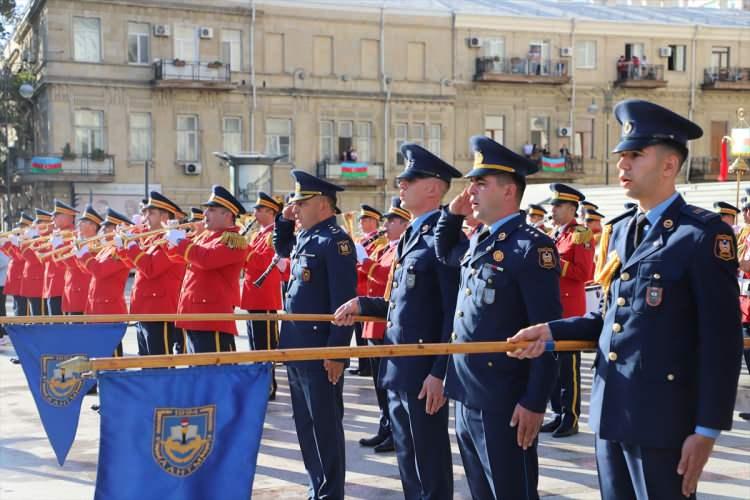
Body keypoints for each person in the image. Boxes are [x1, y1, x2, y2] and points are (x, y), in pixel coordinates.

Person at [508, 99, 743, 499]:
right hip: (612, 413)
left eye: (635, 155)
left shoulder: (702, 236)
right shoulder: (620, 233)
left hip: (664, 422)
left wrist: (706, 430)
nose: (622, 165)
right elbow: (611, 319)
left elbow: (722, 341)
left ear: (669, 166)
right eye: (622, 155)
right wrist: (550, 330)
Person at [433, 135, 561, 499]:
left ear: (509, 192)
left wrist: (536, 401)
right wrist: (451, 216)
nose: (470, 190)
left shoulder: (531, 247)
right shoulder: (481, 240)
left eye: (481, 183)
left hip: (505, 400)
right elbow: (445, 254)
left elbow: (548, 334)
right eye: (471, 183)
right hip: (467, 392)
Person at [334, 143, 462, 500]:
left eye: (410, 178)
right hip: (399, 365)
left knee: (429, 460)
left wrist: (441, 371)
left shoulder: (445, 237)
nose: (400, 184)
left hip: (424, 372)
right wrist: (363, 303)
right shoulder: (411, 234)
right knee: (408, 459)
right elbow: (402, 303)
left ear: (434, 188)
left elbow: (452, 311)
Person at [273, 170, 357, 499]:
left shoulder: (335, 242)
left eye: (301, 203)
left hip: (320, 353)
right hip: (297, 349)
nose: (296, 209)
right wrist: (283, 219)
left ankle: (329, 492)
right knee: (305, 427)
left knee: (324, 428)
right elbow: (283, 247)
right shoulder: (308, 236)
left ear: (322, 204)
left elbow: (344, 303)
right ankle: (316, 487)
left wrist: (336, 353)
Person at [163, 185, 249, 353]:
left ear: (227, 214)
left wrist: (179, 241)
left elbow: (206, 260)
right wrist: (170, 240)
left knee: (214, 373)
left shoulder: (233, 240)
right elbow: (178, 258)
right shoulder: (206, 238)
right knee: (197, 373)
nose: (205, 215)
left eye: (211, 210)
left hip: (211, 318)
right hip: (193, 314)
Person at [356, 197, 411, 454]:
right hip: (372, 324)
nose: (386, 224)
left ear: (404, 223)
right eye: (386, 220)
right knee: (379, 385)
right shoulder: (384, 247)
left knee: (387, 385)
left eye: (391, 221)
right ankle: (384, 427)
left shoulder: (402, 248)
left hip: (384, 323)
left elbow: (383, 277)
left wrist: (365, 262)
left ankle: (393, 432)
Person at [542, 184, 595, 438]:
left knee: (568, 368)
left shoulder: (581, 234)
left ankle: (570, 417)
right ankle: (556, 413)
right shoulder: (555, 234)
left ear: (572, 208)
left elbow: (584, 274)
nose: (552, 210)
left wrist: (555, 262)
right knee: (552, 367)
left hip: (569, 309)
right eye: (552, 205)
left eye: (557, 205)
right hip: (552, 307)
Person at [117, 192, 187, 356]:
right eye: (145, 212)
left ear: (164, 216)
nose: (145, 217)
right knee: (146, 362)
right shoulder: (151, 239)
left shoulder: (169, 240)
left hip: (159, 310)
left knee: (159, 362)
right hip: (145, 307)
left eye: (151, 213)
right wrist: (123, 248)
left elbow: (151, 269)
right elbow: (134, 266)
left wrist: (132, 246)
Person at [241, 192, 287, 400]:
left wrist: (244, 251)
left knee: (265, 344)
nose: (255, 212)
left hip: (265, 295)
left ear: (271, 212)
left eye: (259, 209)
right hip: (253, 293)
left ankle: (269, 386)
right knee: (255, 345)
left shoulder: (274, 234)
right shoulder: (258, 234)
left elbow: (267, 261)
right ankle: (259, 382)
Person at [351, 204, 387, 376]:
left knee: (366, 330)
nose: (361, 222)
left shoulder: (380, 241)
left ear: (374, 221)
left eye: (365, 219)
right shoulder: (361, 241)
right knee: (360, 331)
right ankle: (362, 364)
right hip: (359, 288)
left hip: (367, 288)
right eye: (361, 219)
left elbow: (371, 264)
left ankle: (366, 366)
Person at [58, 205, 102, 315]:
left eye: (83, 222)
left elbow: (74, 264)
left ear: (93, 226)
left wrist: (59, 247)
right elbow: (60, 264)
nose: (78, 224)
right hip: (71, 292)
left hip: (82, 294)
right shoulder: (80, 241)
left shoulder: (96, 246)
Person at [41, 200, 78, 315]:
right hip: (53, 284)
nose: (52, 220)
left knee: (58, 324)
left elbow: (65, 259)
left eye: (55, 216)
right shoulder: (57, 234)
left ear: (67, 217)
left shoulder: (72, 235)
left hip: (60, 283)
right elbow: (44, 256)